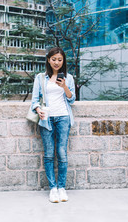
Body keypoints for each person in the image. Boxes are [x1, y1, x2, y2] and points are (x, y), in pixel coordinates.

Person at [31, 47, 76, 203]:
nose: (57, 62)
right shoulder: (40, 78)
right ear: (48, 60)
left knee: (62, 153)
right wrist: (38, 110)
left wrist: (64, 86)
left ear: (63, 61)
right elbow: (34, 100)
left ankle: (62, 187)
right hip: (47, 119)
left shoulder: (68, 78)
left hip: (63, 117)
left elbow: (72, 99)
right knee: (49, 154)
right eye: (54, 59)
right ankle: (53, 188)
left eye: (60, 59)